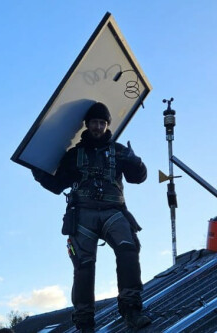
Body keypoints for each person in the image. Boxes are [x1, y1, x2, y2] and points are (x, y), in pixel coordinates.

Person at [32, 102, 151, 332]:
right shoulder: (74, 155)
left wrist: (137, 163)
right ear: (87, 124)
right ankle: (85, 323)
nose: (98, 127)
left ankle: (131, 310)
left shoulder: (119, 151)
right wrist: (38, 170)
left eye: (102, 123)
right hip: (83, 213)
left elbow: (138, 178)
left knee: (128, 250)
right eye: (95, 122)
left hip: (113, 211)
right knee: (84, 265)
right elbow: (57, 185)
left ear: (107, 125)